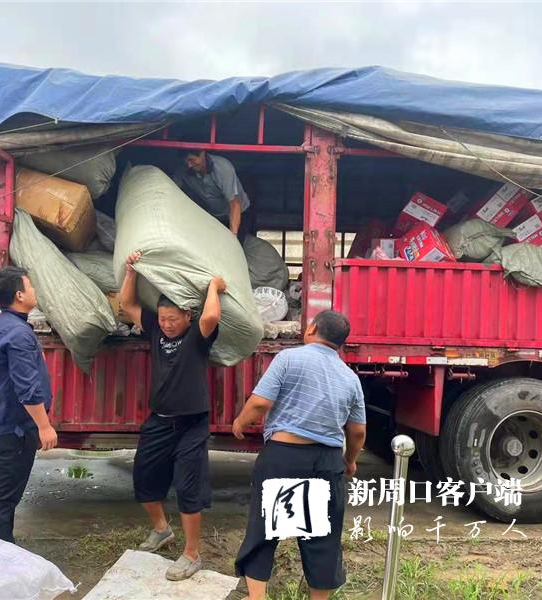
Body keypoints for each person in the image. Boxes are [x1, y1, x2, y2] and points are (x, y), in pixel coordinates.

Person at [231, 310, 366, 600]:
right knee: (322, 538)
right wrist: (350, 460)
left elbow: (260, 403)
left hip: (284, 457)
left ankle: (257, 598)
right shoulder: (349, 377)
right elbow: (357, 431)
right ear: (341, 343)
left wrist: (241, 422)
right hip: (327, 462)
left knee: (265, 530)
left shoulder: (289, 358)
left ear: (312, 329)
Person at [119, 250, 226, 581]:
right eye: (163, 319)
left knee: (188, 486)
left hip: (192, 422)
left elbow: (211, 316)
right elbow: (127, 304)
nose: (166, 325)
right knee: (144, 476)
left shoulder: (198, 336)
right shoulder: (154, 328)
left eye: (173, 319)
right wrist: (131, 272)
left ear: (187, 316)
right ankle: (162, 529)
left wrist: (213, 287)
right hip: (159, 419)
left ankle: (192, 554)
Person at [0, 265, 58, 543]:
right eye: (30, 285)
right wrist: (44, 427)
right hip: (14, 429)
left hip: (8, 424)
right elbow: (27, 388)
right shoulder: (17, 334)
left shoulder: (10, 325)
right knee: (4, 497)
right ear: (19, 295)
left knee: (4, 494)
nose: (34, 290)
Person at [173, 149, 252, 242]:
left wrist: (233, 237)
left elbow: (234, 204)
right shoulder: (183, 170)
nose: (189, 165)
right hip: (214, 217)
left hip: (237, 214)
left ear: (202, 153)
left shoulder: (223, 168)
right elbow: (173, 190)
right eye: (186, 162)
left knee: (234, 245)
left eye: (192, 160)